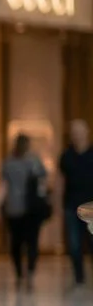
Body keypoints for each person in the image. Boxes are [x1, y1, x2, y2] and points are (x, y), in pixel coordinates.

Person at [0, 133, 49, 290]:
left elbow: (42, 183)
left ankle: (29, 272)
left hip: (30, 209)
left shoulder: (34, 161)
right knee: (17, 244)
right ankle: (20, 273)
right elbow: (3, 186)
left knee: (30, 242)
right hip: (15, 209)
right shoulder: (9, 163)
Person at [59, 119, 93, 286]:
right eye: (74, 132)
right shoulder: (66, 156)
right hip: (71, 206)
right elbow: (60, 181)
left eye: (80, 131)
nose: (77, 135)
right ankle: (79, 277)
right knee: (74, 244)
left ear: (87, 132)